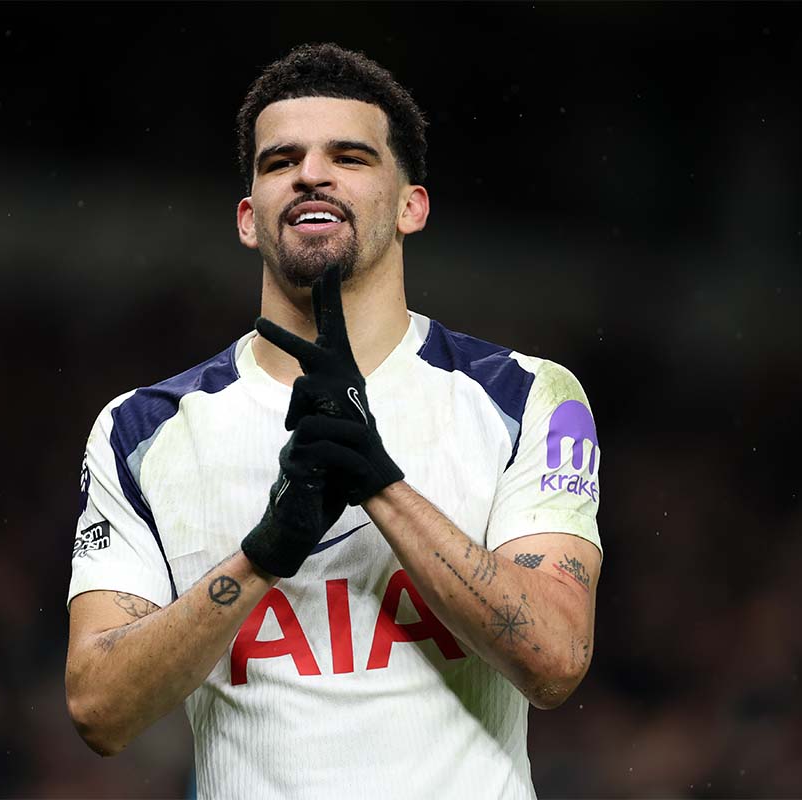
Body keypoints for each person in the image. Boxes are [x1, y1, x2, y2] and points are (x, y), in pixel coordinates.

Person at [65, 43, 603, 799]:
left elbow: (555, 659)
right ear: (248, 218)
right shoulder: (141, 431)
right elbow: (99, 709)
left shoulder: (524, 396)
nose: (311, 174)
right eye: (281, 161)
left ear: (412, 205)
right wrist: (264, 554)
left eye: (349, 157)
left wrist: (379, 482)